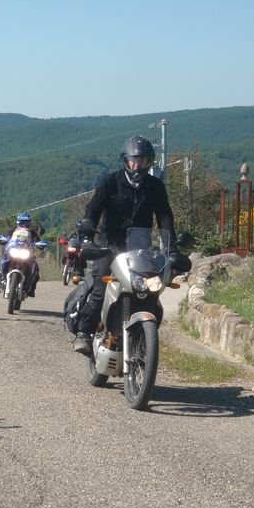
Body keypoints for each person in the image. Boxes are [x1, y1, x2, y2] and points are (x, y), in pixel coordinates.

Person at [72, 135, 190, 355]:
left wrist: (172, 247)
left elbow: (165, 216)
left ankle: (145, 335)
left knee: (151, 291)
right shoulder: (110, 182)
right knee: (100, 287)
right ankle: (84, 332)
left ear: (149, 162)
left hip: (140, 249)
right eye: (134, 160)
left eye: (143, 160)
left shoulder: (155, 186)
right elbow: (93, 210)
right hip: (109, 246)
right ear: (125, 160)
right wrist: (87, 235)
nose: (138, 165)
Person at [0, 211, 43, 297]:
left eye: (26, 222)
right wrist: (3, 240)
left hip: (27, 252)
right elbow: (6, 238)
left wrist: (40, 245)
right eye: (22, 222)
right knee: (3, 260)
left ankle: (31, 289)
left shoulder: (33, 232)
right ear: (18, 221)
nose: (24, 224)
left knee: (35, 267)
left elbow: (38, 241)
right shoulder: (13, 229)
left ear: (29, 222)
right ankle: (1, 280)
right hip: (14, 250)